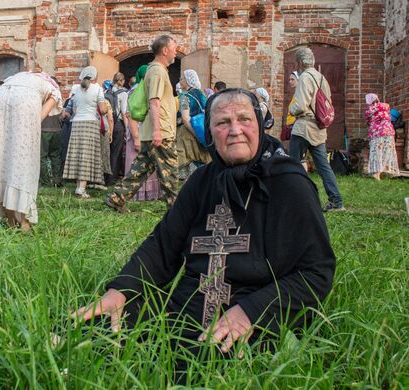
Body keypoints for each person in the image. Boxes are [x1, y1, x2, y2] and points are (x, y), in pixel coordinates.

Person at [75, 88, 336, 376]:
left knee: (199, 364)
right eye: (223, 123)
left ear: (259, 126)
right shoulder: (202, 181)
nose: (235, 130)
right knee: (88, 328)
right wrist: (120, 290)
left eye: (244, 119)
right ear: (209, 133)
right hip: (190, 299)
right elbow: (163, 247)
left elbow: (316, 272)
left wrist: (251, 312)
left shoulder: (289, 183)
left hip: (255, 307)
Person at [106, 35, 179, 212]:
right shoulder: (158, 71)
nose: (176, 52)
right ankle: (177, 209)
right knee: (170, 171)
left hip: (152, 130)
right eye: (174, 48)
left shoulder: (155, 70)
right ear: (165, 50)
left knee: (140, 170)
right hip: (160, 130)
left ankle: (117, 198)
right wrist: (157, 132)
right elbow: (154, 101)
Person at [0, 71, 62, 231]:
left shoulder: (19, 77)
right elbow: (38, 119)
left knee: (1, 161)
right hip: (25, 101)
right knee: (23, 163)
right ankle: (24, 222)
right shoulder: (54, 90)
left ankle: (11, 221)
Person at [289, 47, 345, 212]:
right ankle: (336, 201)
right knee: (323, 166)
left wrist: (291, 110)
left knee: (292, 164)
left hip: (303, 126)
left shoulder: (305, 77)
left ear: (299, 62)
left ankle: (294, 199)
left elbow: (299, 106)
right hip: (319, 128)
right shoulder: (321, 78)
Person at [62, 66, 108, 198]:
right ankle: (81, 188)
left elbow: (68, 110)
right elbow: (103, 109)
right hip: (90, 124)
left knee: (77, 155)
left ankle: (79, 185)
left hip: (76, 124)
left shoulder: (75, 89)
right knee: (86, 156)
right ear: (94, 77)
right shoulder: (98, 89)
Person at [124, 65, 162, 201]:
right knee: (137, 163)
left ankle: (149, 194)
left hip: (147, 132)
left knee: (148, 163)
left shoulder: (149, 90)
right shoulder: (136, 91)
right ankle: (133, 194)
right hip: (139, 132)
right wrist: (136, 137)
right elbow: (130, 115)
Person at [177, 69, 212, 179]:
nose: (180, 80)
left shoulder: (184, 98)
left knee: (190, 165)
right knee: (201, 163)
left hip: (188, 134)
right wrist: (202, 135)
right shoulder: (202, 94)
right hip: (203, 130)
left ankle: (189, 191)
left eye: (182, 78)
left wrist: (197, 135)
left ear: (188, 81)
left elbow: (185, 118)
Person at [364, 93, 399, 180]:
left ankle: (376, 172)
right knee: (388, 151)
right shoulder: (386, 106)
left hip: (376, 133)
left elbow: (368, 120)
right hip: (388, 132)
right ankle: (387, 171)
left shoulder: (369, 110)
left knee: (376, 152)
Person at [108, 72, 130, 185]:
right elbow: (124, 112)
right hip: (118, 124)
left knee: (108, 150)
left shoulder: (107, 91)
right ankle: (113, 177)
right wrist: (127, 129)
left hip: (107, 123)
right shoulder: (123, 94)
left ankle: (106, 176)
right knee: (116, 151)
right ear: (121, 81)